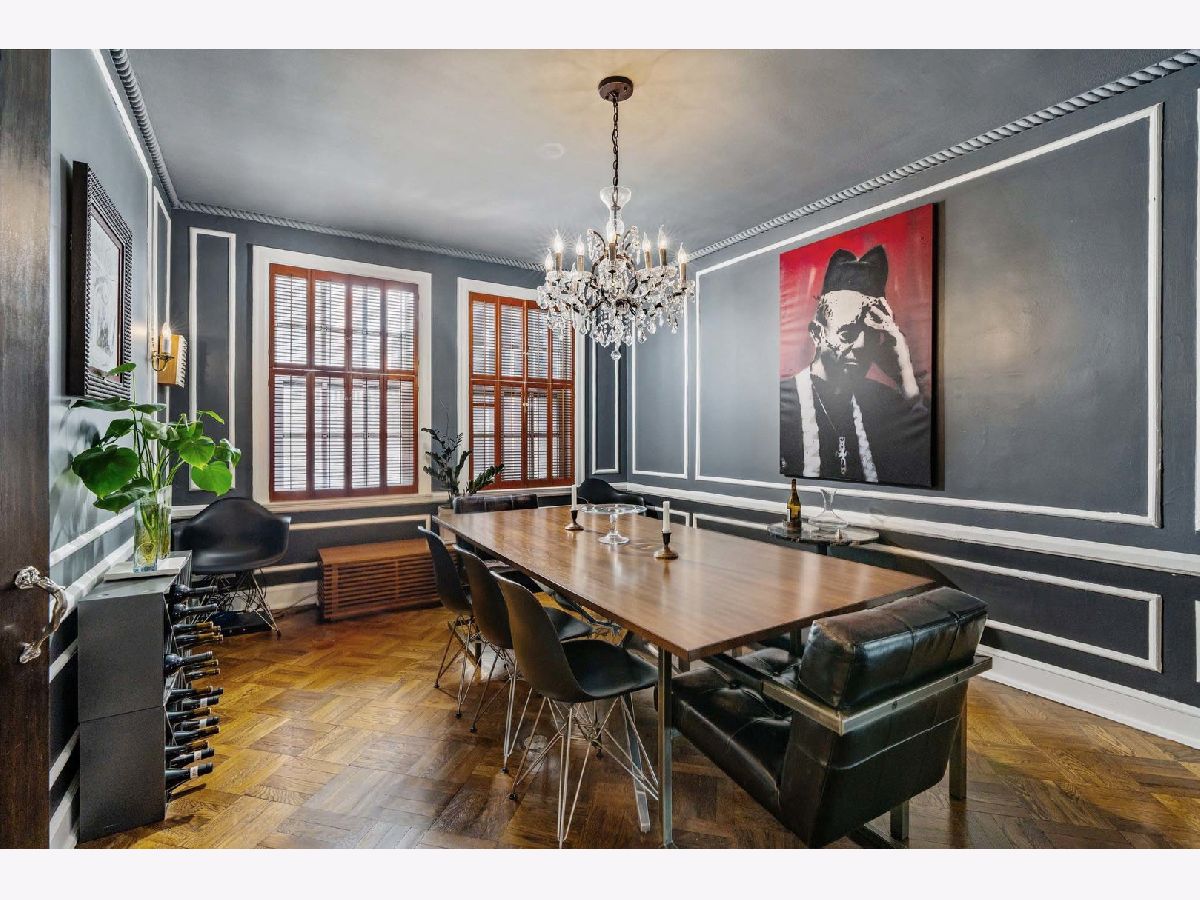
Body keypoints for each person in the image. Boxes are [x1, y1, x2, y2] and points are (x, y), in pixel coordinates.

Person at [779, 245, 930, 487]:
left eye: (869, 336)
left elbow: (923, 459)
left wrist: (905, 375)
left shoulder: (884, 402)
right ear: (817, 334)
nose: (860, 346)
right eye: (847, 334)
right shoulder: (780, 403)